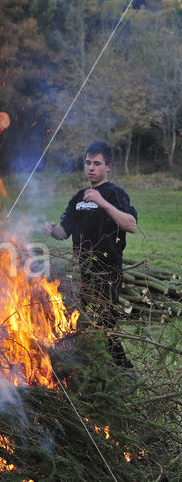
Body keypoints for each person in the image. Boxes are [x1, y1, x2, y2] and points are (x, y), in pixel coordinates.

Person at [42, 141, 137, 368]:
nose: (91, 168)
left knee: (105, 328)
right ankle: (82, 368)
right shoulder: (78, 198)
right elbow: (63, 232)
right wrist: (51, 229)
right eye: (88, 163)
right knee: (76, 321)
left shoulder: (115, 194)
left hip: (108, 272)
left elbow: (131, 225)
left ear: (108, 167)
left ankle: (125, 372)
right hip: (83, 272)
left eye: (97, 163)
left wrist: (102, 202)